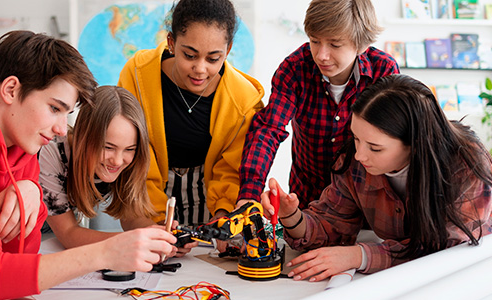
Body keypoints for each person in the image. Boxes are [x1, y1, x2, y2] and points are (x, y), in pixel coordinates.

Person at [0, 30, 175, 300]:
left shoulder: (22, 145)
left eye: (67, 114)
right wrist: (105, 253)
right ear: (11, 89)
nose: (62, 129)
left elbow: (16, 260)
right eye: (54, 108)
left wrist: (32, 192)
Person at [260, 74, 492, 281]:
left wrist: (359, 256)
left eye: (375, 148)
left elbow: (447, 250)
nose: (359, 155)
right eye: (356, 138)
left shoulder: (467, 162)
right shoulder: (354, 161)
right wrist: (291, 216)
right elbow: (331, 226)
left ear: (416, 143)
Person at [238, 0, 399, 209]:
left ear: (361, 45)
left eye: (335, 44)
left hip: (367, 201)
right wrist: (250, 193)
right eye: (314, 41)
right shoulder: (294, 69)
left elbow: (395, 142)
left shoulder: (383, 71)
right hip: (308, 200)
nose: (321, 55)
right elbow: (269, 130)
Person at [118, 0, 264, 231]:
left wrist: (222, 221)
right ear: (171, 43)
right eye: (189, 55)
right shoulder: (137, 75)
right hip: (144, 199)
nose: (200, 69)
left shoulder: (244, 101)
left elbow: (230, 171)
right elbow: (133, 155)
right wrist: (155, 223)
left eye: (213, 58)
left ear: (227, 50)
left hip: (210, 203)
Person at [39, 85, 158, 249]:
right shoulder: (51, 152)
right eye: (108, 147)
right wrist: (134, 240)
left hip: (52, 236)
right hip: (26, 236)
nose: (117, 161)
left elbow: (131, 216)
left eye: (129, 149)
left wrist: (156, 234)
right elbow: (69, 234)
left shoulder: (129, 161)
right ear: (84, 137)